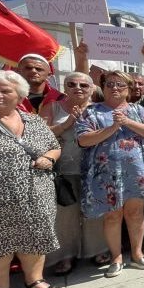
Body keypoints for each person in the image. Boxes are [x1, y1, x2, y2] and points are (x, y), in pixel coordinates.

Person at [0, 71, 61, 288]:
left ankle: (33, 281)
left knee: (35, 238)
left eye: (4, 90)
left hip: (37, 194)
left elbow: (54, 146)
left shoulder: (34, 121)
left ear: (19, 95)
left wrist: (48, 158)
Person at [75, 70, 144, 278]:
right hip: (106, 175)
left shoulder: (137, 110)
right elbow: (83, 140)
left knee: (135, 214)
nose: (115, 88)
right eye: (110, 84)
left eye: (120, 85)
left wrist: (127, 122)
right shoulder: (91, 111)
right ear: (102, 88)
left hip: (137, 172)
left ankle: (137, 253)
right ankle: (116, 257)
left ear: (128, 89)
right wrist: (113, 127)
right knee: (113, 216)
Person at [42, 72, 108, 275]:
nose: (78, 88)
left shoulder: (100, 108)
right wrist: (66, 124)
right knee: (65, 217)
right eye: (72, 84)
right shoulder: (52, 107)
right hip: (64, 170)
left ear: (91, 89)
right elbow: (41, 135)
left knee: (95, 213)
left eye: (83, 85)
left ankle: (98, 250)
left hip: (94, 169)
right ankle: (66, 256)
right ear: (65, 87)